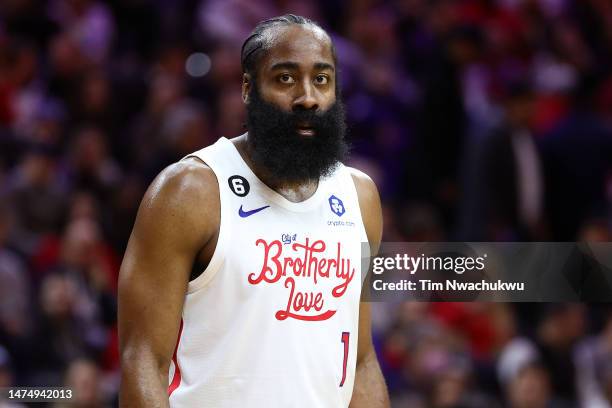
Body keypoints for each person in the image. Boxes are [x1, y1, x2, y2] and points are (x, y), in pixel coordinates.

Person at [118, 14, 389, 407]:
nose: (307, 97)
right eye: (285, 78)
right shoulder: (190, 191)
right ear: (248, 88)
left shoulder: (359, 197)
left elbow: (361, 361)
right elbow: (142, 360)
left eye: (322, 79)